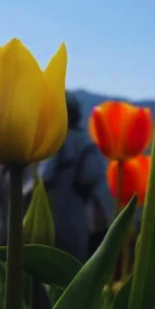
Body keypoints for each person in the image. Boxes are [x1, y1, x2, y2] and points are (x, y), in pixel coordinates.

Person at [40, 93, 109, 262]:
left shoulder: (54, 139)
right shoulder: (86, 141)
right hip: (77, 213)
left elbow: (44, 175)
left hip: (51, 210)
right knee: (73, 265)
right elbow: (92, 175)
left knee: (47, 264)